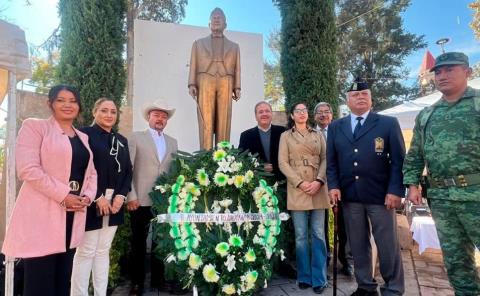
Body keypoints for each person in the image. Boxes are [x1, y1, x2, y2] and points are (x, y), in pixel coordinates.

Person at [2, 84, 97, 296]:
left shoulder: (83, 138)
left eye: (73, 101)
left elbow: (92, 174)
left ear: (79, 106)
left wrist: (87, 198)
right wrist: (64, 195)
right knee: (39, 282)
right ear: (50, 104)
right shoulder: (35, 127)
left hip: (72, 217)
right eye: (61, 100)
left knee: (63, 281)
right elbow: (28, 169)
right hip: (42, 216)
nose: (67, 105)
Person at [403, 52, 480, 296]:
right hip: (442, 199)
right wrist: (412, 184)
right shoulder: (427, 115)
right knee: (456, 263)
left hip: (476, 196)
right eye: (438, 71)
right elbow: (415, 154)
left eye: (450, 70)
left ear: (467, 72)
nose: (442, 75)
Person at [327, 78, 405, 296]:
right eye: (355, 95)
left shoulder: (387, 123)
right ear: (347, 100)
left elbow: (399, 160)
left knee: (387, 244)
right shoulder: (336, 127)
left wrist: (395, 190)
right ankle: (366, 286)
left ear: (371, 99)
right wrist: (332, 185)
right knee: (358, 245)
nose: (360, 97)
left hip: (381, 196)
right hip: (351, 196)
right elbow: (331, 161)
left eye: (364, 94)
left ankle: (393, 288)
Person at [71, 98, 133, 296]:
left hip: (115, 203)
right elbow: (79, 169)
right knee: (86, 251)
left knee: (103, 251)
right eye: (104, 110)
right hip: (90, 201)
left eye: (113, 112)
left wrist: (121, 196)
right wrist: (98, 196)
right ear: (94, 112)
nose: (109, 115)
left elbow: (128, 171)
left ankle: (100, 293)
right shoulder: (84, 135)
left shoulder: (121, 140)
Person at [238, 101, 296, 279]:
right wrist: (261, 168)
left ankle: (284, 262)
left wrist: (276, 169)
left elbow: (291, 157)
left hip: (282, 185)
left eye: (267, 111)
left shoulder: (283, 133)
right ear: (255, 115)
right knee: (262, 225)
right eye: (260, 111)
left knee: (283, 225)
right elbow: (243, 162)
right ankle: (263, 261)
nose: (264, 114)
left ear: (271, 114)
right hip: (258, 189)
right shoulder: (246, 135)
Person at [127, 100, 178, 295]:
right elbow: (128, 169)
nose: (160, 119)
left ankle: (159, 280)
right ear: (149, 117)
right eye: (156, 115)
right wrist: (130, 195)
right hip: (139, 199)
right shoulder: (136, 138)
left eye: (164, 116)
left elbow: (173, 171)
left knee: (161, 243)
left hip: (163, 202)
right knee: (138, 243)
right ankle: (137, 283)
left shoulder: (173, 141)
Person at [278, 103, 329, 294]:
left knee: (318, 234)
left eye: (304, 111)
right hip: (297, 188)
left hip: (318, 187)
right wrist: (299, 182)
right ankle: (304, 276)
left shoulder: (318, 134)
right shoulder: (285, 136)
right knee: (300, 236)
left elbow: (325, 158)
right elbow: (282, 162)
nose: (302, 114)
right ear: (292, 115)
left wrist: (319, 180)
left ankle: (319, 278)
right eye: (298, 111)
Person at [188, 7, 241, 150]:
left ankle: (222, 156)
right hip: (205, 80)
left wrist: (237, 87)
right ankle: (205, 156)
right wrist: (192, 83)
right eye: (213, 17)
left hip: (226, 80)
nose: (216, 19)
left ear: (225, 24)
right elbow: (193, 64)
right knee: (206, 121)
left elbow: (237, 67)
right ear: (209, 24)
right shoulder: (198, 44)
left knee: (224, 121)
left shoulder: (234, 47)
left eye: (219, 17)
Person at [314, 101, 353, 277]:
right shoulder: (309, 133)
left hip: (340, 183)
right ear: (315, 116)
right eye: (319, 112)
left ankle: (346, 260)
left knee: (344, 223)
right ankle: (325, 258)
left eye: (327, 111)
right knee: (320, 224)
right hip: (318, 183)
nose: (323, 115)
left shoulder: (340, 131)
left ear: (332, 114)